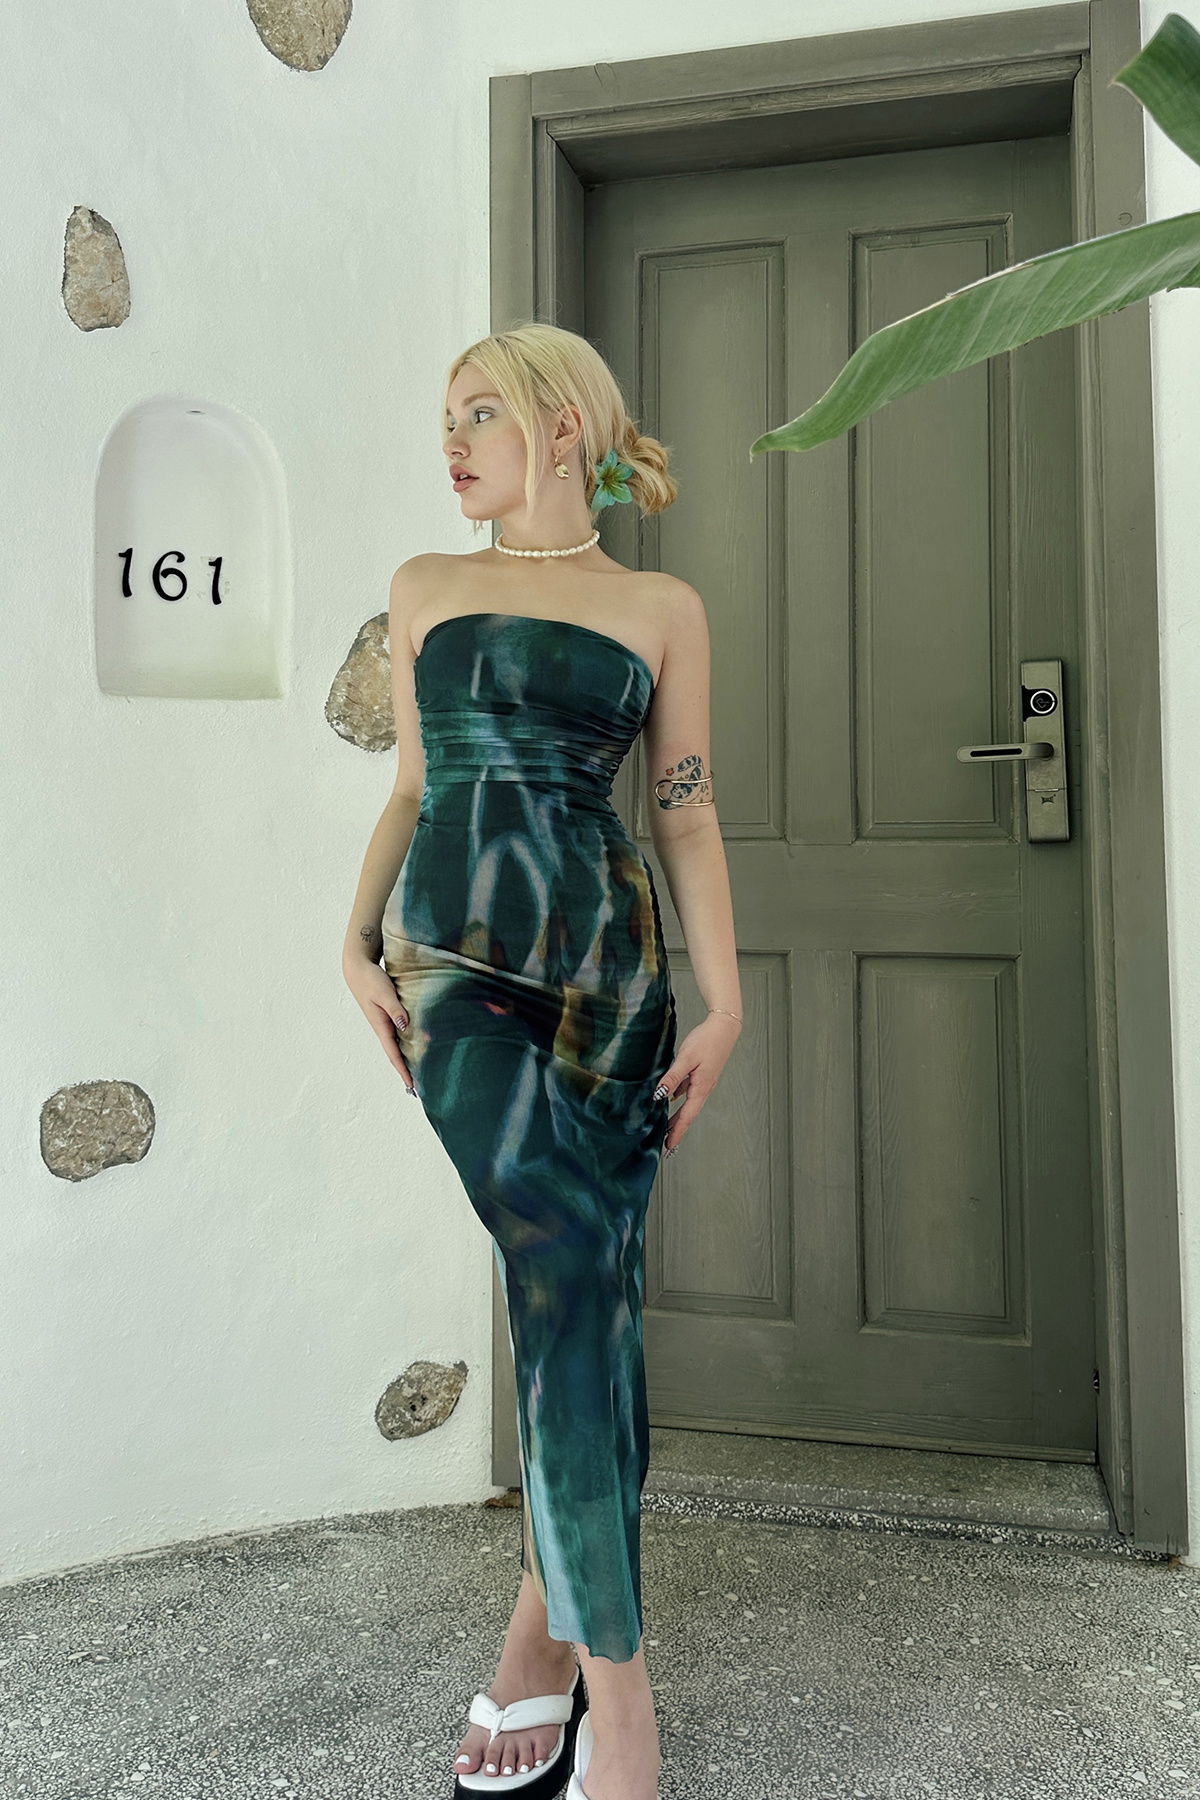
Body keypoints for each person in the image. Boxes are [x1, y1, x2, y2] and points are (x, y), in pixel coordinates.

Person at [341, 321, 742, 1800]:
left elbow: (684, 813)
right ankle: (622, 1704)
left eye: (480, 414)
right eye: (446, 417)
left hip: (610, 983)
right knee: (568, 1262)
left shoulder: (661, 609)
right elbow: (412, 785)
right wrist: (350, 938)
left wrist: (726, 1001)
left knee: (592, 1296)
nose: (452, 443)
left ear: (563, 426)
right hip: (455, 969)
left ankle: (539, 1640)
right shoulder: (424, 587)